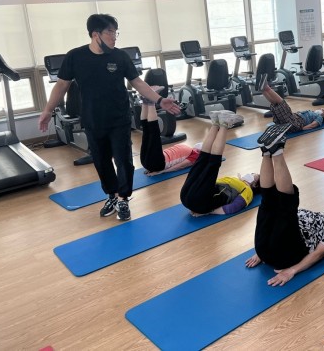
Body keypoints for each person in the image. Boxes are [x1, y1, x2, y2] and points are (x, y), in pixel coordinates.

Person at [38, 14, 182, 221]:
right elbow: (61, 85)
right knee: (101, 161)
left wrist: (159, 100)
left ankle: (123, 199)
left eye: (116, 32)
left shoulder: (120, 56)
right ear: (95, 34)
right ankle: (112, 196)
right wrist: (47, 110)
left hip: (119, 118)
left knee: (124, 161)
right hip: (93, 120)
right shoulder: (75, 57)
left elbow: (137, 82)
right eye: (110, 32)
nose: (114, 37)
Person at [245, 123, 324, 286]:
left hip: (287, 253)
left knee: (287, 201)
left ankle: (277, 150)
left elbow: (318, 254)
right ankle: (267, 152)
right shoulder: (315, 214)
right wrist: (261, 252)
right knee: (268, 199)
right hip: (264, 247)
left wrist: (292, 271)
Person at [180, 110, 260, 217]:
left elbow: (233, 207)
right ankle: (216, 123)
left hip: (200, 202)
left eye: (255, 175)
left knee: (214, 162)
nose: (252, 173)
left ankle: (224, 124)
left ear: (255, 184)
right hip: (188, 196)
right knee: (203, 158)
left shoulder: (248, 191)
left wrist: (207, 212)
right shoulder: (236, 181)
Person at [139, 91, 200, 176]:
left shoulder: (189, 149)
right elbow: (179, 166)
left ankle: (145, 101)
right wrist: (159, 171)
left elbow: (178, 164)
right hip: (155, 163)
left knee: (147, 132)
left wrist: (159, 171)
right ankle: (149, 102)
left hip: (154, 161)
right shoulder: (195, 155)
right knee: (151, 133)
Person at [256, 75, 324, 132]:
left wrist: (302, 128)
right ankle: (263, 90)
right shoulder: (313, 113)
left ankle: (266, 88)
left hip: (295, 122)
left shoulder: (320, 117)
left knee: (282, 103)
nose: (320, 109)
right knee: (275, 105)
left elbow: (314, 124)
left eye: (323, 110)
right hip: (293, 119)